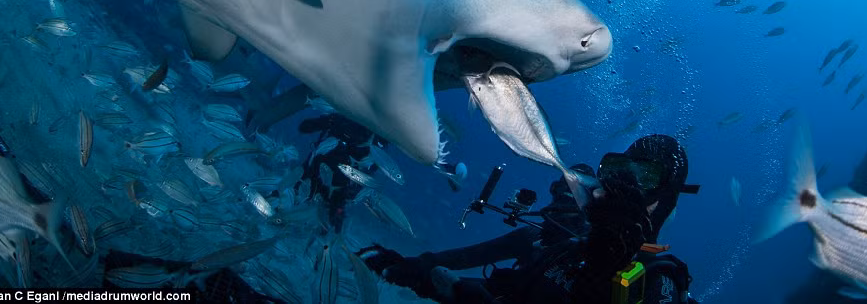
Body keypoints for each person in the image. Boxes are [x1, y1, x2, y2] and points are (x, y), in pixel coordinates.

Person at [360, 134, 699, 304]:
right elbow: (488, 284)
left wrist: (605, 265)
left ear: (669, 199)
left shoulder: (659, 281)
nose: (629, 187)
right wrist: (416, 272)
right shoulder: (565, 247)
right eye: (619, 172)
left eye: (647, 177)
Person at [297, 112, 384, 233]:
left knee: (329, 227)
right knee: (293, 204)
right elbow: (304, 127)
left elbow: (375, 167)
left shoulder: (376, 138)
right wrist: (330, 121)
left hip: (339, 186)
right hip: (315, 173)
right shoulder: (341, 119)